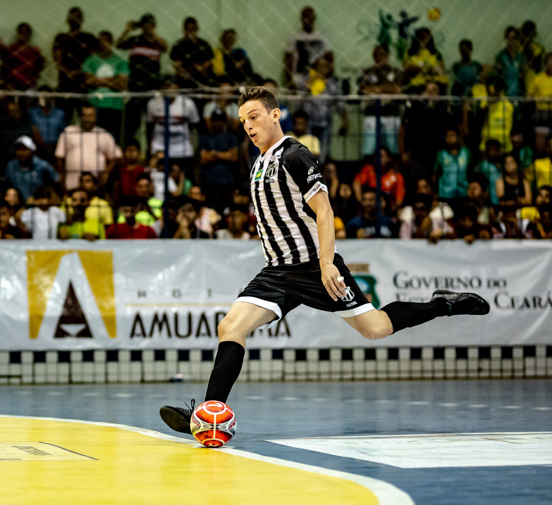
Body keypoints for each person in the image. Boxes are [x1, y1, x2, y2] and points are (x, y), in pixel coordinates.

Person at [159, 86, 490, 436]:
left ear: (275, 114)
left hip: (314, 267)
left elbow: (325, 210)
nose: (248, 126)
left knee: (375, 328)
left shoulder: (295, 155)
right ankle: (211, 412)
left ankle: (442, 304)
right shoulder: (258, 163)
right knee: (230, 327)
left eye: (254, 117)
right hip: (276, 271)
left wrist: (327, 263)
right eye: (243, 121)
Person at [55, 105, 121, 190]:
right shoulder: (68, 132)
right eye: (84, 115)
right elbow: (59, 158)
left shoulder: (104, 134)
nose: (87, 119)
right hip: (72, 185)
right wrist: (61, 178)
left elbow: (116, 156)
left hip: (96, 186)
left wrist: (106, 172)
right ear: (80, 116)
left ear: (95, 117)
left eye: (90, 116)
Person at [358, 45, 404, 157]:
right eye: (377, 55)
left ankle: (394, 172)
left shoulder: (396, 71)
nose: (380, 57)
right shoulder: (367, 72)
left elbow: (397, 90)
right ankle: (367, 171)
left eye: (382, 54)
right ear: (373, 56)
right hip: (372, 113)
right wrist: (386, 90)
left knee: (393, 147)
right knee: (369, 147)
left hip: (391, 113)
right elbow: (364, 90)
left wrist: (377, 90)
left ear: (387, 56)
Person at [83, 31, 129, 143]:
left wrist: (99, 80)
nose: (103, 43)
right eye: (101, 41)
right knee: (94, 140)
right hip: (95, 105)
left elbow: (121, 85)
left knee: (113, 140)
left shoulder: (120, 61)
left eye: (106, 41)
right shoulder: (90, 61)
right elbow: (88, 81)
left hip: (115, 105)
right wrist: (112, 80)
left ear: (111, 43)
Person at [283, 7, 332, 89]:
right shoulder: (294, 36)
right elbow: (288, 60)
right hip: (299, 77)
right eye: (305, 17)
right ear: (301, 18)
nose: (307, 20)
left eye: (310, 17)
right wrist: (290, 80)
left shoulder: (322, 36)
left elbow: (330, 59)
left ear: (314, 18)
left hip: (319, 77)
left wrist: (327, 78)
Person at [5, 134, 59, 203]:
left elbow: (56, 181)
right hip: (18, 205)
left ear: (32, 150)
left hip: (40, 204)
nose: (21, 153)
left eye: (25, 149)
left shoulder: (43, 165)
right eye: (18, 149)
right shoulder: (11, 166)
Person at [169, 17, 214, 89]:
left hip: (201, 76)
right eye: (187, 29)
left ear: (197, 30)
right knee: (171, 87)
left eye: (192, 29)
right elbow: (176, 65)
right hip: (183, 77)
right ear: (184, 30)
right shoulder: (178, 46)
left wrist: (200, 68)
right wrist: (183, 71)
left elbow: (208, 63)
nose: (190, 32)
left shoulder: (204, 44)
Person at [2, 22, 44, 91]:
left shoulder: (35, 51)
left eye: (26, 33)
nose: (24, 35)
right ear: (18, 34)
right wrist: (7, 82)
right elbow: (5, 66)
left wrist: (33, 79)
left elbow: (39, 67)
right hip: (12, 84)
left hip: (29, 84)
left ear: (30, 34)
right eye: (21, 32)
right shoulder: (11, 49)